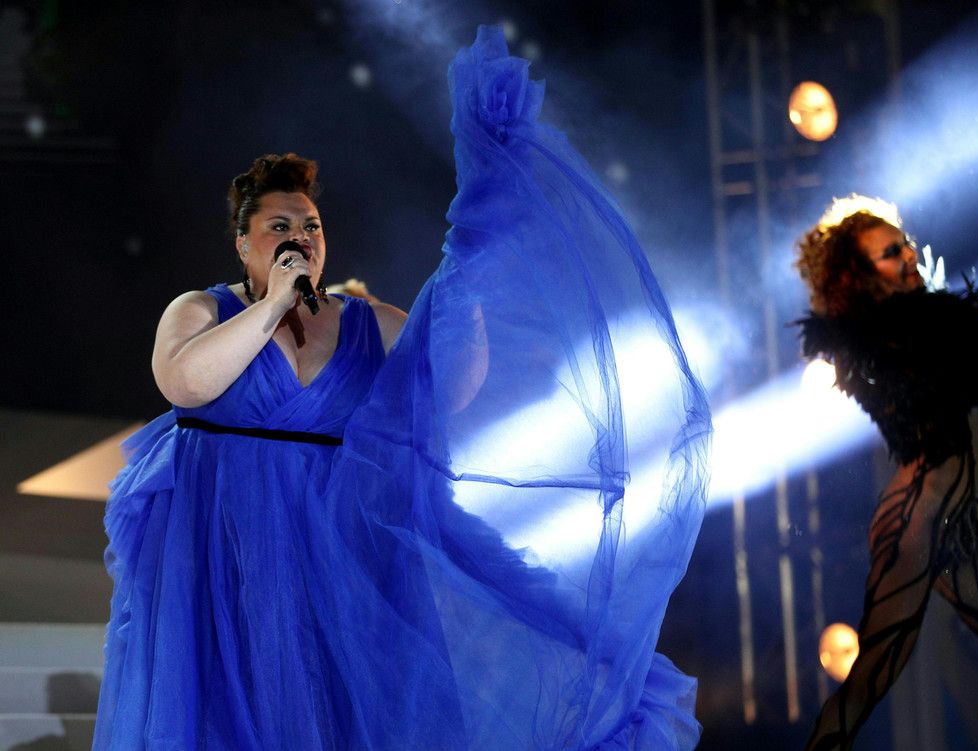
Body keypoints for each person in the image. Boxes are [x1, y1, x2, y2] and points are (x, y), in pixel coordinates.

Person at [92, 26, 710, 750]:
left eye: (311, 225)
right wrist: (275, 303)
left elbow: (450, 384)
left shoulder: (364, 321)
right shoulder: (203, 310)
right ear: (242, 242)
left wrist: (470, 280)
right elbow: (184, 382)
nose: (301, 236)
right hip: (226, 551)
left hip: (336, 554)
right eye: (280, 225)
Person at [796, 195, 978, 750]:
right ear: (859, 277)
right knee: (870, 677)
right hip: (916, 525)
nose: (908, 256)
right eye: (890, 253)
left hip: (954, 524)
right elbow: (965, 371)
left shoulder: (923, 328)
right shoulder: (875, 345)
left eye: (905, 245)